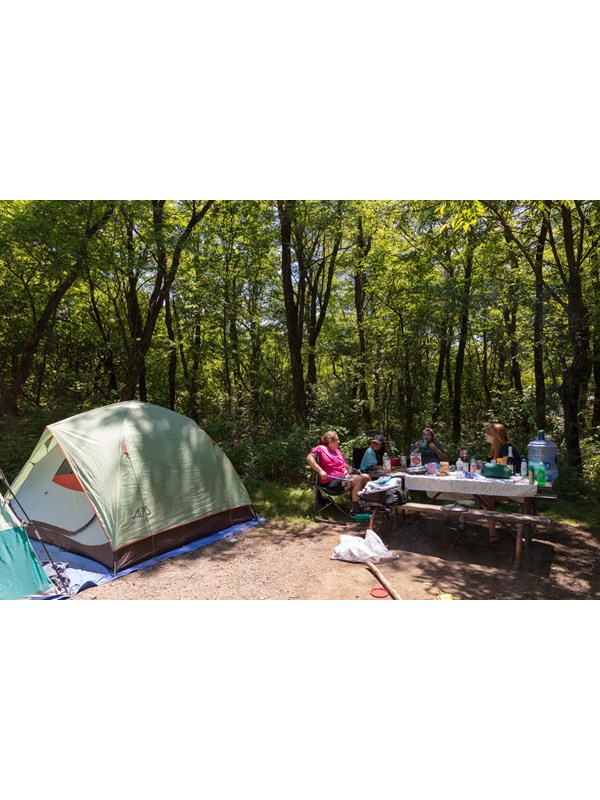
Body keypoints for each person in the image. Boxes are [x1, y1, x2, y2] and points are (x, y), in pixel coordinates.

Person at [306, 430, 369, 517]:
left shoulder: (337, 451)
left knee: (366, 477)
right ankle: (355, 510)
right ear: (330, 442)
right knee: (358, 479)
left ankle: (363, 504)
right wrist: (320, 471)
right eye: (337, 440)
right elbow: (309, 458)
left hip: (343, 478)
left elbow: (344, 465)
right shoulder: (321, 448)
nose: (339, 441)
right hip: (331, 481)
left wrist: (353, 469)